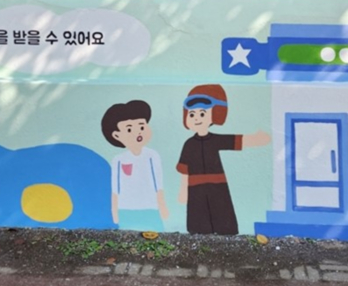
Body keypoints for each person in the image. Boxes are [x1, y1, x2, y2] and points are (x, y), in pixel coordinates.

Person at [176, 84, 270, 235]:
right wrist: (182, 192)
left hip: (218, 186)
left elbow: (234, 140)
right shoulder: (189, 144)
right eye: (192, 114)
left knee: (223, 217)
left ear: (215, 114)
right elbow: (184, 169)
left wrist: (256, 139)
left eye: (202, 113)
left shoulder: (216, 140)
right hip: (195, 188)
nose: (197, 118)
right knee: (198, 221)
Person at [101, 100, 169, 231]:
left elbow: (158, 183)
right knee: (127, 234)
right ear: (117, 135)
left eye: (142, 127)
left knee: (156, 234)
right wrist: (114, 212)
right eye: (129, 129)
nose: (138, 133)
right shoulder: (118, 160)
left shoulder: (152, 155)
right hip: (125, 208)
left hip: (151, 207)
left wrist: (162, 206)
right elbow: (115, 188)